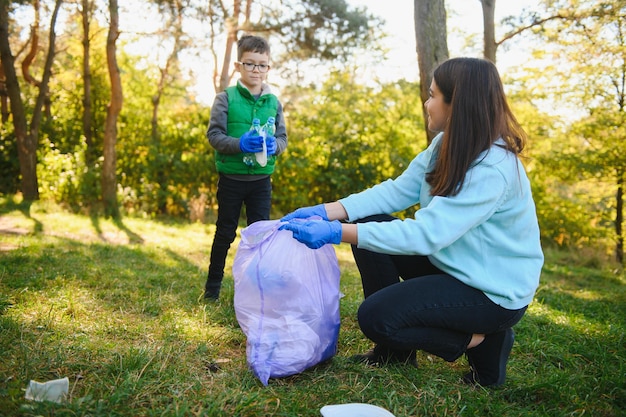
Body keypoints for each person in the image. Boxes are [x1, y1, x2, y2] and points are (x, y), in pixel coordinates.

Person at [280, 57, 543, 387]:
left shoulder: (492, 168)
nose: (426, 102)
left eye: (433, 95)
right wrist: (327, 210)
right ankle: (395, 354)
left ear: (456, 103)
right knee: (370, 221)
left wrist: (337, 232)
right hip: (457, 265)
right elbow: (397, 191)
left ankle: (486, 340)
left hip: (491, 292)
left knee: (375, 317)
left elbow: (427, 234)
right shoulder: (446, 144)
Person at [204, 35, 287, 300]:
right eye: (250, 64)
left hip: (262, 181)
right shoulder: (225, 98)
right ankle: (212, 288)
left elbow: (283, 138)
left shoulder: (274, 102)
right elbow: (214, 136)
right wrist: (239, 143)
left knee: (259, 235)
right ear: (239, 65)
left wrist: (276, 146)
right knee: (225, 232)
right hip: (232, 178)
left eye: (261, 65)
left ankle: (253, 291)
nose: (256, 70)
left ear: (268, 68)